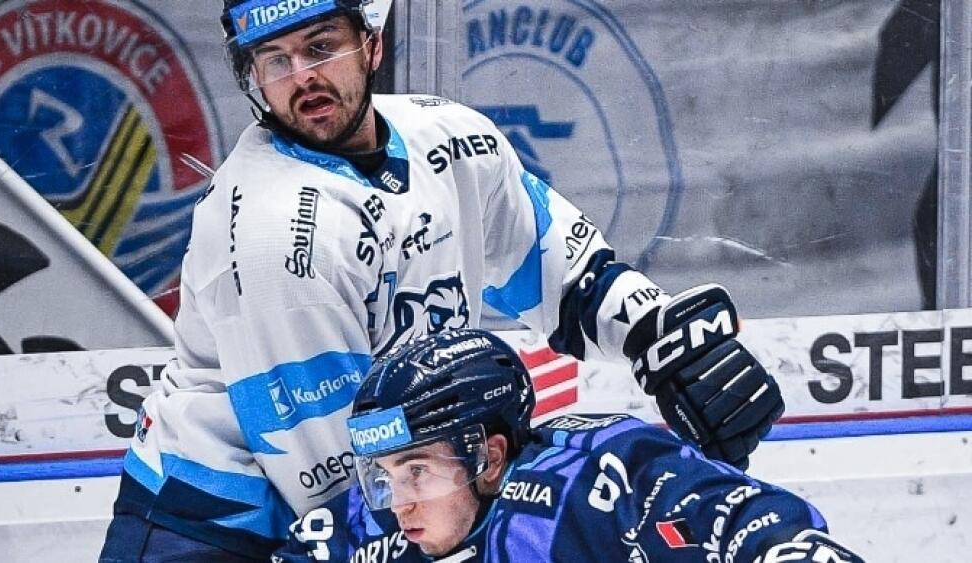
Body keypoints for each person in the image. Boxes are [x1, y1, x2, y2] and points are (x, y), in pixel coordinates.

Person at [101, 0, 784, 560]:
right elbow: (350, 488)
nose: (301, 77)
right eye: (274, 59)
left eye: (321, 46)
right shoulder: (274, 235)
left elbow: (567, 274)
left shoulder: (450, 137)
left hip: (381, 490)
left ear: (371, 42)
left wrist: (661, 341)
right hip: (213, 531)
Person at [275, 328, 862, 563]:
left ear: (490, 458)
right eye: (383, 474)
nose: (398, 500)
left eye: (417, 470)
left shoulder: (586, 477)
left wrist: (782, 550)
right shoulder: (376, 525)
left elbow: (734, 519)